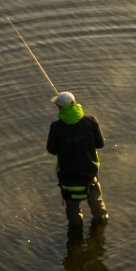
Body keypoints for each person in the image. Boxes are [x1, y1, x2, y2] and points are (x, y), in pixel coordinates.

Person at [46, 91, 108, 226]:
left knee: (74, 216)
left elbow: (51, 150)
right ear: (75, 103)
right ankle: (99, 234)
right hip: (89, 175)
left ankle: (75, 240)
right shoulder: (91, 121)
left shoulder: (56, 127)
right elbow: (100, 144)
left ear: (59, 108)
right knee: (99, 212)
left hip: (68, 178)